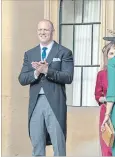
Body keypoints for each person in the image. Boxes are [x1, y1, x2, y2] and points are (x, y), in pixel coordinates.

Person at [18, 19, 74, 156]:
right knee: (37, 142)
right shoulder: (30, 53)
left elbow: (68, 77)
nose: (43, 33)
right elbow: (22, 79)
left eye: (46, 30)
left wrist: (47, 71)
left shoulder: (64, 52)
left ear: (52, 32)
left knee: (58, 144)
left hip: (55, 101)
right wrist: (36, 72)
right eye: (40, 30)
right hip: (36, 102)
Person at [95, 41, 115, 156]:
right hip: (106, 113)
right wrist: (108, 99)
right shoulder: (102, 74)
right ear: (107, 56)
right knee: (107, 145)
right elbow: (97, 96)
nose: (114, 56)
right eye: (111, 53)